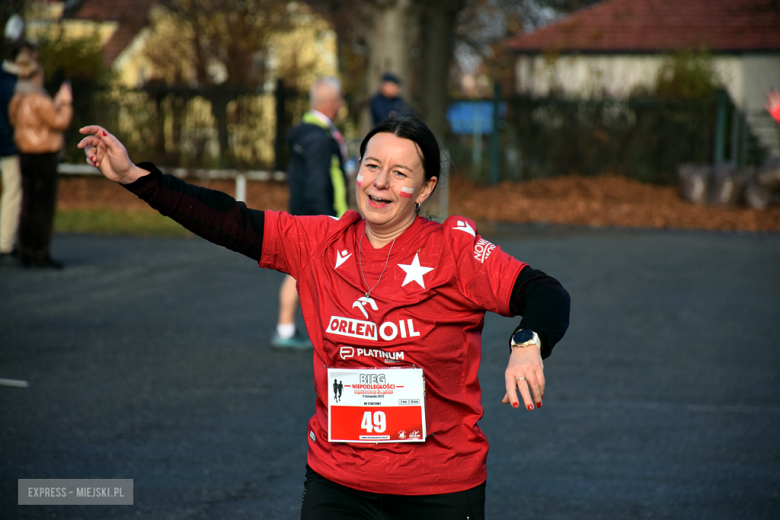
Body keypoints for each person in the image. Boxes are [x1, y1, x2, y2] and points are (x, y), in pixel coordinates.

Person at [78, 113, 570, 519]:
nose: (380, 182)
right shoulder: (319, 242)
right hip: (338, 482)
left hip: (438, 486)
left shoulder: (454, 251)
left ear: (425, 189)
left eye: (400, 173)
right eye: (371, 165)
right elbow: (228, 220)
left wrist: (528, 343)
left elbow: (543, 291)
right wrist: (134, 177)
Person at [274, 77, 349, 349]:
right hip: (320, 216)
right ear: (332, 103)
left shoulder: (307, 132)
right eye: (340, 99)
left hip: (306, 212)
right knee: (319, 272)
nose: (342, 104)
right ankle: (298, 332)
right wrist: (330, 219)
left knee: (300, 270)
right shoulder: (319, 138)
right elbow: (317, 183)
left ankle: (286, 330)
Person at [8, 58, 72, 269]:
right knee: (44, 205)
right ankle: (40, 251)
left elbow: (15, 120)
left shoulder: (17, 98)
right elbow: (59, 121)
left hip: (25, 152)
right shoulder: (39, 98)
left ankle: (25, 250)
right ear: (37, 76)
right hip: (44, 153)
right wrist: (65, 103)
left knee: (28, 203)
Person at [0, 41, 37, 265]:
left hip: (7, 143)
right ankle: (5, 243)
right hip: (9, 146)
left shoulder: (6, 79)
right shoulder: (11, 83)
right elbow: (11, 118)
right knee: (13, 191)